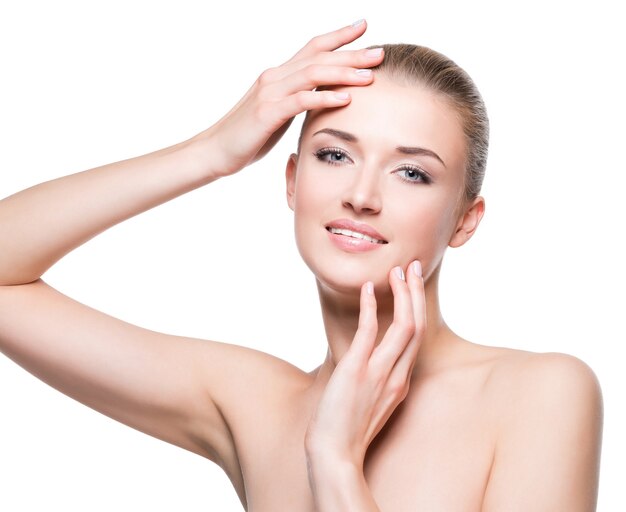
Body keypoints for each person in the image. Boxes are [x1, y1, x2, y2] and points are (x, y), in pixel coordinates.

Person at [0, 19, 603, 511]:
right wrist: (211, 151)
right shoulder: (254, 405)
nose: (362, 194)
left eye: (412, 171)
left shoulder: (540, 395)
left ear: (466, 220)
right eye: (335, 154)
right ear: (292, 181)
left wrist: (336, 464)